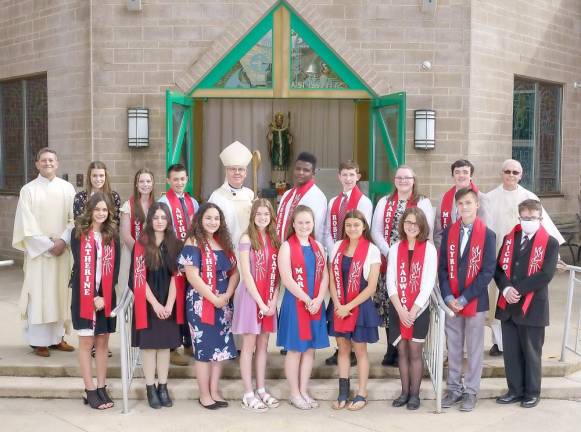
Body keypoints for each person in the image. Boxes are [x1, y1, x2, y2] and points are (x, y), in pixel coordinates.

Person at [486, 159, 564, 357]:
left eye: (515, 172)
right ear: (501, 173)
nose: (511, 175)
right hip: (500, 257)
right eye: (507, 171)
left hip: (527, 259)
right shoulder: (490, 198)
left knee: (524, 300)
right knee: (499, 298)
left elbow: (544, 227)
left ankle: (519, 340)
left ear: (521, 175)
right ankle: (499, 342)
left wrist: (556, 256)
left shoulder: (529, 197)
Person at [494, 199, 559, 409]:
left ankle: (531, 392)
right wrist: (505, 289)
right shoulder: (510, 238)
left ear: (540, 218)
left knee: (531, 353)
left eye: (532, 218)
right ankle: (514, 390)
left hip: (533, 306)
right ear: (519, 217)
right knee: (511, 352)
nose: (528, 221)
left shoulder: (550, 243)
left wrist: (518, 290)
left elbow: (546, 274)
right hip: (508, 306)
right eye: (524, 217)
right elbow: (498, 269)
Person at [12, 148, 76, 357]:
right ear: (37, 164)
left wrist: (63, 241)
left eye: (51, 160)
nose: (48, 163)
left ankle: (57, 338)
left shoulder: (68, 189)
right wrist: (49, 246)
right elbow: (26, 225)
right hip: (39, 254)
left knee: (59, 294)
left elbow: (73, 220)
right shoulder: (28, 190)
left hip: (62, 251)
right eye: (44, 160)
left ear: (57, 163)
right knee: (39, 295)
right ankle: (39, 341)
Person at [438, 188, 496, 412]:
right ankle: (453, 388)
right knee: (453, 347)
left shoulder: (488, 234)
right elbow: (443, 268)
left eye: (469, 203)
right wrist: (448, 295)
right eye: (461, 203)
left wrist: (464, 297)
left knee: (473, 349)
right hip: (452, 301)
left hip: (475, 300)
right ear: (456, 206)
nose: (464, 207)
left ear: (477, 205)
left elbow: (488, 271)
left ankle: (471, 391)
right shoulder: (449, 233)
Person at [371, 165, 434, 366]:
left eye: (407, 177)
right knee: (391, 305)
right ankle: (393, 348)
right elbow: (376, 231)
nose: (403, 181)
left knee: (412, 301)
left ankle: (409, 348)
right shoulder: (384, 202)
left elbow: (427, 231)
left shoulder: (423, 202)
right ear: (394, 180)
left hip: (415, 262)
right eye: (399, 177)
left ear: (414, 180)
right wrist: (391, 253)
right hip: (390, 261)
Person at [178, 203, 239, 410]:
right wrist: (214, 299)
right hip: (200, 303)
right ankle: (204, 394)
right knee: (204, 350)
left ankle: (214, 390)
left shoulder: (223, 243)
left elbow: (235, 272)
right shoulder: (193, 242)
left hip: (223, 304)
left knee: (219, 349)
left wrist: (228, 294)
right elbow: (192, 276)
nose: (213, 222)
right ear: (199, 220)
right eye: (208, 218)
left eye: (216, 218)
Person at [129, 202, 181, 409]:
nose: (160, 221)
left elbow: (178, 277)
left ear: (168, 220)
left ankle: (163, 387)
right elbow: (138, 279)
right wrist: (156, 305)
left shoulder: (176, 244)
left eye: (163, 217)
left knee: (165, 347)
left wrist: (168, 304)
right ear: (150, 220)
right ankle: (150, 388)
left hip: (169, 300)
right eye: (156, 217)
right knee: (149, 347)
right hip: (148, 301)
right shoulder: (141, 244)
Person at [327, 209, 381, 411]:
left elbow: (372, 287)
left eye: (356, 225)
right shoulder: (337, 247)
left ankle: (361, 393)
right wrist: (338, 305)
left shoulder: (372, 250)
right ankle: (343, 391)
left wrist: (348, 306)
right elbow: (332, 278)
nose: (352, 228)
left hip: (359, 306)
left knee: (360, 351)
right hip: (339, 303)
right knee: (343, 350)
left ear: (364, 226)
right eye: (348, 225)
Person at [277, 205, 329, 410]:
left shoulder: (318, 246)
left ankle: (304, 390)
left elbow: (325, 275)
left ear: (313, 224)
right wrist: (307, 299)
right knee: (295, 350)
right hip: (296, 304)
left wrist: (317, 299)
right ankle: (294, 393)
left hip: (315, 304)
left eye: (308, 222)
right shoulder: (287, 247)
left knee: (309, 350)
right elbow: (287, 279)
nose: (304, 226)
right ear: (293, 224)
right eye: (300, 222)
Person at [70, 192, 120, 410]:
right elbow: (80, 268)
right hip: (84, 296)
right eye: (97, 209)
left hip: (105, 297)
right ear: (90, 210)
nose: (101, 213)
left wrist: (105, 297)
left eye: (104, 210)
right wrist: (91, 297)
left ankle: (101, 387)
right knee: (86, 343)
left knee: (102, 343)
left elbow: (115, 269)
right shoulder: (79, 233)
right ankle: (89, 390)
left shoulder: (111, 234)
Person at [232, 199, 281, 412]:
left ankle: (261, 388)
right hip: (251, 298)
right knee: (249, 346)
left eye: (266, 213)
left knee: (263, 346)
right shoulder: (246, 238)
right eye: (259, 213)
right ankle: (248, 392)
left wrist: (272, 301)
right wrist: (260, 302)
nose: (262, 217)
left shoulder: (274, 239)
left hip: (268, 298)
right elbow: (246, 273)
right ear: (253, 216)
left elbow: (277, 274)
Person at [387, 207, 437, 410]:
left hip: (419, 309)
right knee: (402, 351)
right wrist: (400, 310)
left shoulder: (429, 249)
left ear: (422, 225)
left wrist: (413, 310)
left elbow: (427, 283)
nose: (411, 226)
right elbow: (390, 280)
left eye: (416, 223)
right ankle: (404, 392)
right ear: (402, 224)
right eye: (408, 222)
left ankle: (415, 394)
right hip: (398, 307)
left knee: (415, 352)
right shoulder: (395, 248)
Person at [324, 161, 373, 366]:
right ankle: (341, 347)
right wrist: (334, 250)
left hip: (356, 258)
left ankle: (353, 348)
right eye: (344, 175)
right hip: (338, 255)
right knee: (338, 298)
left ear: (358, 176)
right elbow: (327, 228)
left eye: (352, 175)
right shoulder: (333, 201)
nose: (348, 178)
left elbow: (364, 230)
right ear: (339, 177)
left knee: (352, 297)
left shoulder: (364, 202)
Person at [159, 163, 200, 366]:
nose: (179, 183)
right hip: (171, 259)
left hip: (191, 259)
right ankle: (172, 346)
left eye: (182, 179)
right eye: (175, 179)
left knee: (189, 300)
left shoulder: (193, 202)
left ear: (187, 179)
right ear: (168, 180)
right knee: (173, 301)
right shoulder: (163, 201)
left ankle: (189, 343)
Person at [433, 159, 491, 249]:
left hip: (472, 251)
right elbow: (438, 233)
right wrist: (443, 254)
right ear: (453, 175)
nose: (461, 175)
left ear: (470, 176)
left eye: (465, 172)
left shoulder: (481, 198)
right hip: (448, 252)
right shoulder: (442, 199)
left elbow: (484, 230)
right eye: (457, 172)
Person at [208, 141, 255, 251]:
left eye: (241, 169)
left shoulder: (251, 195)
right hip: (225, 250)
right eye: (233, 169)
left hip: (249, 250)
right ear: (226, 171)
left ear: (246, 173)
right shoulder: (216, 197)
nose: (237, 172)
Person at [276, 152, 327, 245]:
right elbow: (280, 223)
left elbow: (316, 228)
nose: (301, 172)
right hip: (283, 248)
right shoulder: (287, 194)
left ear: (313, 173)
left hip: (304, 249)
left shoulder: (317, 196)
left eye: (306, 170)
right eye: (298, 169)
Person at [119, 168, 155, 295]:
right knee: (129, 291)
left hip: (153, 255)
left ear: (153, 183)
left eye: (148, 181)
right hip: (131, 253)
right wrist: (139, 253)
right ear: (136, 184)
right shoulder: (128, 205)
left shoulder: (157, 204)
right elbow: (126, 235)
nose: (145, 184)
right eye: (141, 181)